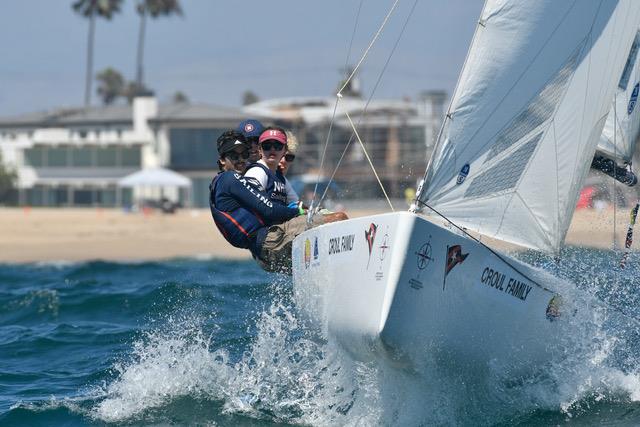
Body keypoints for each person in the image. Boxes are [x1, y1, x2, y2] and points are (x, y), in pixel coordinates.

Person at [209, 130, 303, 272]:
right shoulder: (230, 179)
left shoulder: (220, 182)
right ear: (222, 160)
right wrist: (298, 211)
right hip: (271, 242)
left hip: (264, 253)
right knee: (337, 218)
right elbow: (269, 209)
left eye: (244, 155)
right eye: (234, 156)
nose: (240, 160)